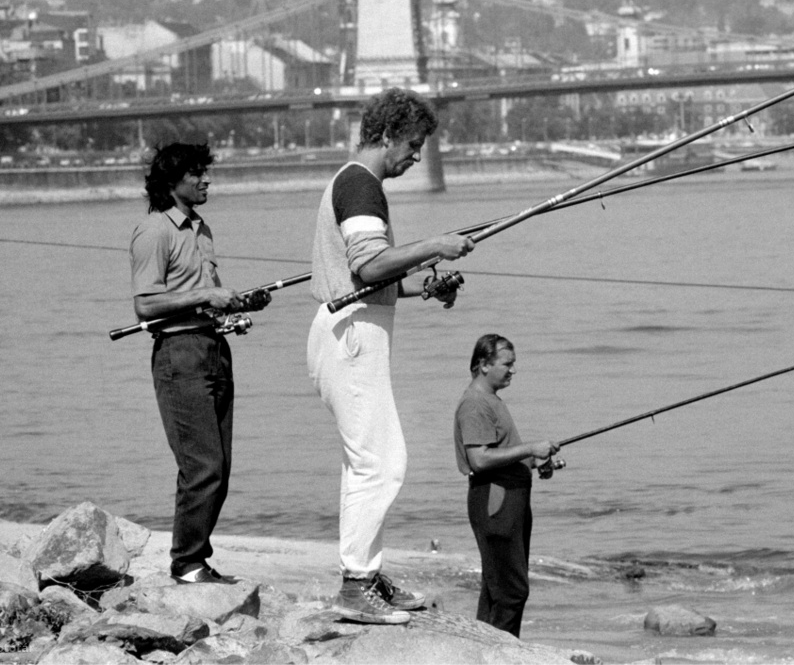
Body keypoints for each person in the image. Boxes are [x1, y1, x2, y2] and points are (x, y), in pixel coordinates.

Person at [308, 87, 475, 624]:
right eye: (413, 143)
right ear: (385, 136)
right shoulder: (361, 185)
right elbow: (369, 267)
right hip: (353, 335)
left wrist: (423, 288)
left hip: (353, 325)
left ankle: (367, 575)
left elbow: (371, 279)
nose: (417, 156)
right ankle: (357, 587)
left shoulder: (356, 182)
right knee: (383, 462)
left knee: (366, 461)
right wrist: (435, 245)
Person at [129, 142, 269, 584]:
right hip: (179, 356)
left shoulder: (201, 229)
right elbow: (145, 305)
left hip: (213, 349)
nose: (206, 179)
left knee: (220, 466)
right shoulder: (154, 231)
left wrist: (235, 305)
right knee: (202, 467)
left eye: (206, 172)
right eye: (197, 174)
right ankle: (186, 564)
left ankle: (196, 560)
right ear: (173, 181)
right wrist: (208, 296)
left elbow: (207, 295)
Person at [454, 334, 563, 637]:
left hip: (507, 499)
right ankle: (500, 655)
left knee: (497, 588)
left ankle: (480, 651)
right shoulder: (475, 404)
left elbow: (497, 454)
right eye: (508, 364)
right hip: (495, 501)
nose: (513, 370)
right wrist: (530, 449)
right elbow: (479, 459)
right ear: (484, 364)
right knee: (511, 590)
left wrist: (533, 462)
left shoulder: (490, 400)